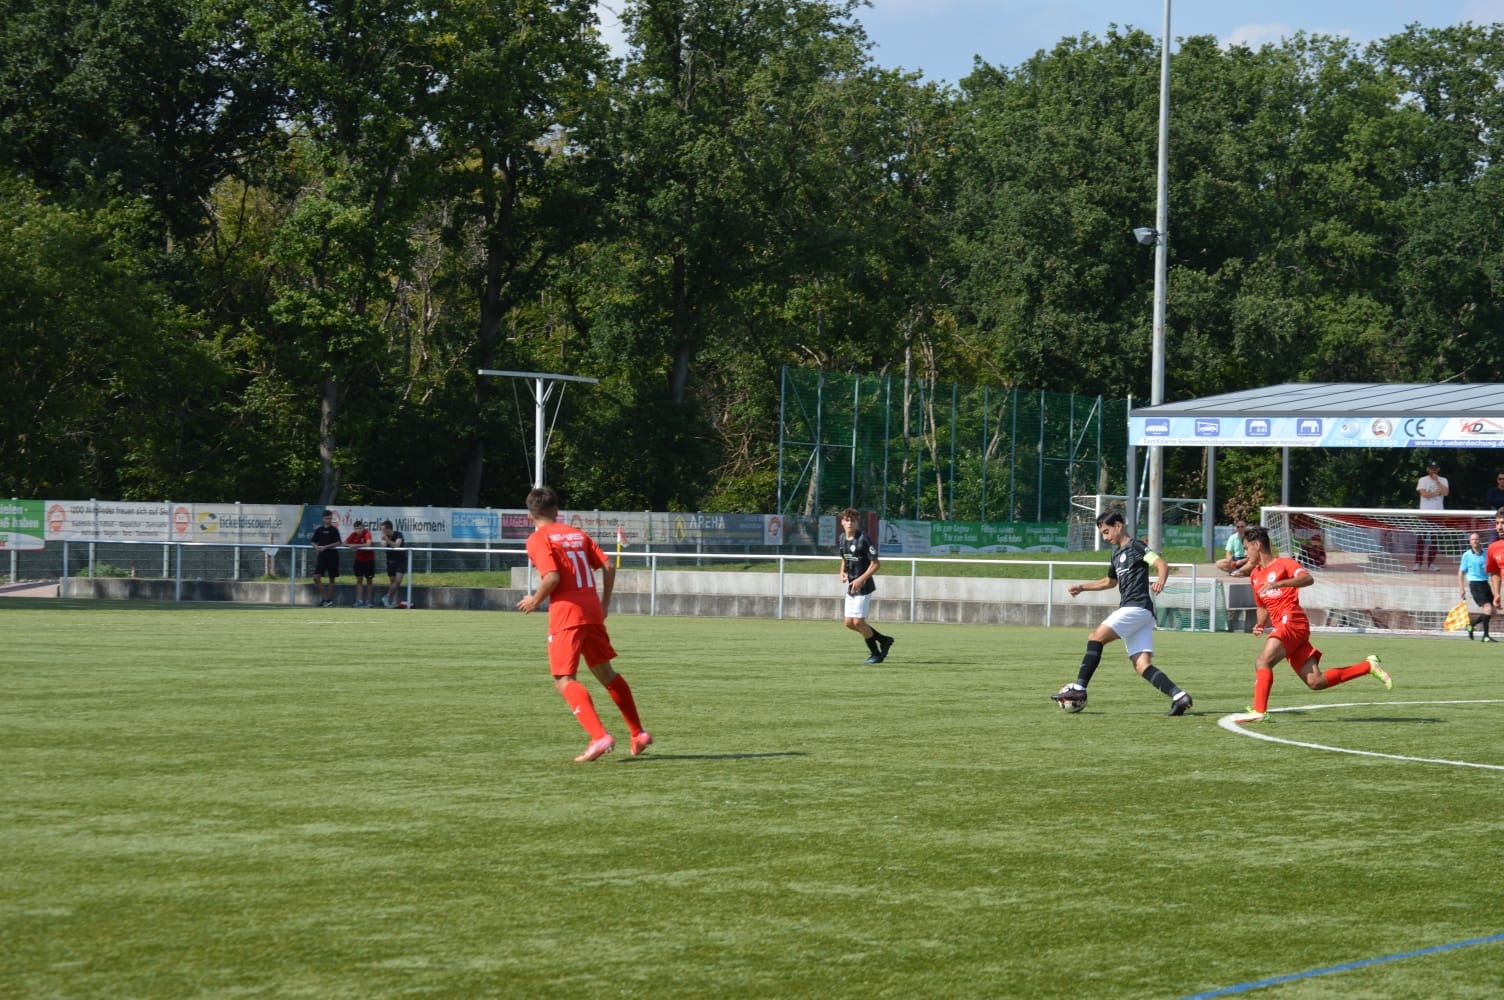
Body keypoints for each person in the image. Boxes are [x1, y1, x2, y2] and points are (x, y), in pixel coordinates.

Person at [516, 485, 652, 762]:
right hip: (591, 610)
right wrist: (604, 603)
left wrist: (535, 600)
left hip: (567, 613)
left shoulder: (538, 539)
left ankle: (599, 736)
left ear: (530, 516)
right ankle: (638, 733)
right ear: (556, 511)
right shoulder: (578, 534)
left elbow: (552, 577)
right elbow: (609, 565)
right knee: (606, 672)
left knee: (563, 680)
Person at [1231, 525, 1392, 724]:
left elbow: (1307, 578)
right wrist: (1260, 623)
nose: (1246, 553)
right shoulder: (1255, 575)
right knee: (1316, 681)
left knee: (1262, 661)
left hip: (1292, 620)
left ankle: (1259, 711)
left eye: (1246, 548)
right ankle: (1368, 666)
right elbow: (1262, 605)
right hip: (1285, 626)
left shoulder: (1284, 563)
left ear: (1257, 545)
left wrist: (1279, 583)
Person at [1051, 510, 1193, 716]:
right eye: (1102, 533)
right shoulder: (1116, 554)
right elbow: (1110, 582)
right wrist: (1082, 587)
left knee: (1096, 637)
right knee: (1142, 665)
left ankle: (1079, 688)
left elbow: (1160, 563)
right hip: (1141, 613)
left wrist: (1161, 581)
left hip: (1136, 607)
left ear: (1118, 526)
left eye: (1106, 531)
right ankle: (1179, 697)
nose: (1105, 537)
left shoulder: (1136, 546)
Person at [838, 507, 895, 664]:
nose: (850, 523)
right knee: (848, 623)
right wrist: (842, 572)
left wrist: (861, 579)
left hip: (864, 586)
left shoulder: (863, 539)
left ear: (858, 522)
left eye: (853, 520)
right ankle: (884, 639)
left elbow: (876, 564)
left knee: (858, 622)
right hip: (852, 586)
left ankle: (876, 654)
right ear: (842, 522)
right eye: (847, 520)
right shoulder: (842, 538)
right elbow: (844, 557)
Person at [1458, 531, 1495, 641]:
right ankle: (1485, 636)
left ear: (1480, 541)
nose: (1475, 541)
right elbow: (1461, 572)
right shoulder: (1467, 555)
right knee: (1487, 608)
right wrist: (1461, 588)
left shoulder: (1486, 554)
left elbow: (1491, 568)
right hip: (1475, 584)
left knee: (1492, 611)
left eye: (1476, 539)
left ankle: (1471, 625)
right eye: (1473, 539)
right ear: (1470, 542)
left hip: (1485, 583)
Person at [1414, 460, 1449, 571]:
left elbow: (1445, 493)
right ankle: (1418, 563)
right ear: (1427, 469)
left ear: (1438, 469)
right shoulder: (1422, 480)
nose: (1433, 470)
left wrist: (1437, 481)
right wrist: (1436, 493)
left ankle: (1431, 563)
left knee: (1435, 539)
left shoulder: (1443, 480)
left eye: (1435, 468)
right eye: (1431, 468)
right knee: (1421, 538)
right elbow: (1424, 494)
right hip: (1424, 513)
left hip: (1438, 513)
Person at [309, 509, 342, 607]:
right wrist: (316, 547)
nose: (329, 520)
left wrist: (326, 547)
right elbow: (312, 541)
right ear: (323, 519)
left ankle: (329, 601)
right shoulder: (319, 530)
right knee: (316, 577)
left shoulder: (334, 530)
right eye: (327, 519)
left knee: (332, 578)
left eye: (330, 518)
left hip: (332, 556)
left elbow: (338, 542)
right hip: (322, 556)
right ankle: (325, 598)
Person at [346, 519, 376, 606]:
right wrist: (350, 545)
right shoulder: (353, 535)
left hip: (369, 560)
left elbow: (368, 544)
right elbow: (344, 543)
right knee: (359, 580)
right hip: (359, 561)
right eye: (356, 528)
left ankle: (369, 601)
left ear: (363, 528)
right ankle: (359, 601)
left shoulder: (367, 533)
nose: (358, 530)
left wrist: (355, 545)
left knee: (369, 580)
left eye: (360, 528)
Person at [380, 519, 407, 608]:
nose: (382, 532)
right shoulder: (384, 536)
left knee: (398, 581)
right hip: (390, 561)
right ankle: (394, 602)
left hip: (400, 560)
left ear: (388, 529)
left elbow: (396, 545)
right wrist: (385, 540)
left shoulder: (399, 535)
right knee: (393, 583)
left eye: (383, 530)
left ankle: (386, 596)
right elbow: (383, 545)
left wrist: (387, 540)